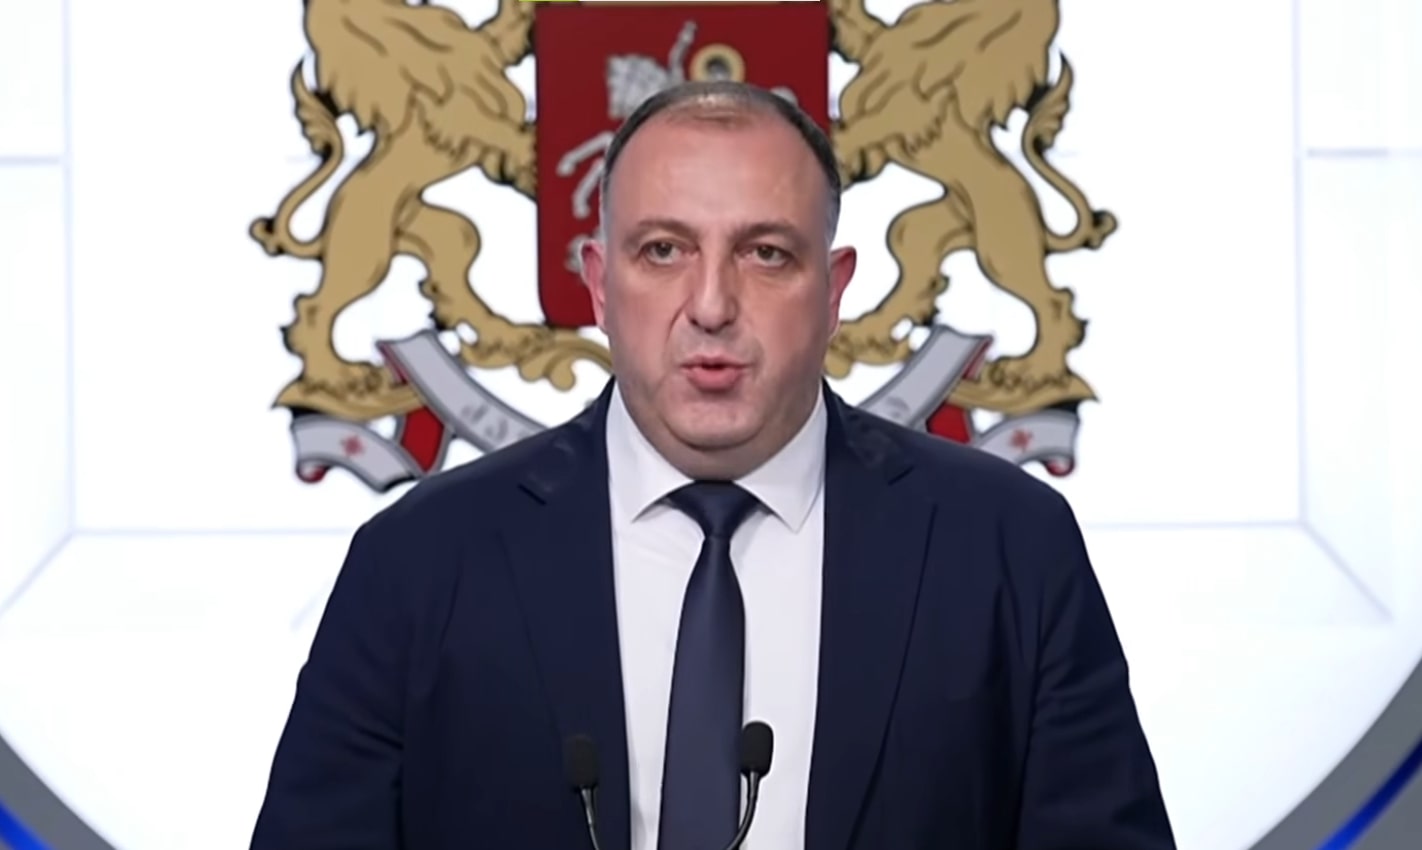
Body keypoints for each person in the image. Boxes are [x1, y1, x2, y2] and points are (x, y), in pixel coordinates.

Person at [249, 80, 1176, 850]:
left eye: (766, 254)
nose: (711, 305)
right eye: (663, 251)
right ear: (597, 284)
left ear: (835, 292)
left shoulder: (1006, 547)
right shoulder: (420, 560)